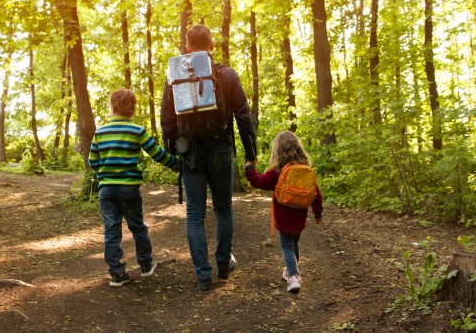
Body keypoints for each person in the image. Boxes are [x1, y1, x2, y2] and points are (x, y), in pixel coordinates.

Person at [160, 24, 257, 290]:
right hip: (220, 149)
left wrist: (173, 152)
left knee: (194, 214)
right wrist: (251, 154)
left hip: (190, 153)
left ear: (187, 47)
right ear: (212, 45)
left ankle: (203, 276)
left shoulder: (174, 76)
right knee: (223, 209)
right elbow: (243, 116)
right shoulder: (226, 74)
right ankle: (223, 266)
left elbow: (167, 118)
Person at [89, 88, 179, 287]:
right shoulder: (137, 131)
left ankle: (116, 274)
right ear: (133, 108)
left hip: (106, 190)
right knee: (137, 226)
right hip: (128, 189)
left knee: (111, 230)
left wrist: (104, 173)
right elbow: (157, 153)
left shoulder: (100, 132)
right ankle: (146, 265)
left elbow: (92, 160)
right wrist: (177, 163)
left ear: (112, 107)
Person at [244, 131, 323, 293]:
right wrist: (317, 213)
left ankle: (294, 277)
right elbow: (316, 193)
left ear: (278, 150)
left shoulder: (278, 171)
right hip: (300, 216)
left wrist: (250, 168)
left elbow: (258, 181)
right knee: (294, 245)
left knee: (287, 246)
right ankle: (289, 271)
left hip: (283, 217)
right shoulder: (305, 170)